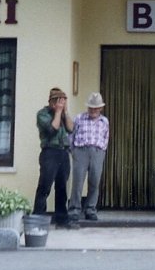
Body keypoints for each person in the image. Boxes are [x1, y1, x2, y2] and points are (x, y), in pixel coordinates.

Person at [34, 87, 77, 229]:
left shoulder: (63, 114)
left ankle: (62, 219)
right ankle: (38, 218)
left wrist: (65, 112)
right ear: (52, 102)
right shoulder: (42, 114)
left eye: (63, 101)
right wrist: (58, 112)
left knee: (62, 187)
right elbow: (52, 130)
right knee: (45, 186)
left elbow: (71, 129)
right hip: (49, 153)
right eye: (59, 101)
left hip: (63, 152)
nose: (61, 104)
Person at [68, 92, 110, 222]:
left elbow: (106, 137)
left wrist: (102, 150)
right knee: (78, 181)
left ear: (100, 108)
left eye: (96, 108)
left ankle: (91, 209)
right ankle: (74, 209)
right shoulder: (79, 118)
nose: (93, 110)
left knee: (95, 181)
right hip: (81, 150)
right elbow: (71, 135)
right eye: (91, 107)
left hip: (97, 151)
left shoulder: (104, 121)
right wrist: (73, 151)